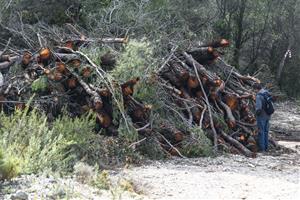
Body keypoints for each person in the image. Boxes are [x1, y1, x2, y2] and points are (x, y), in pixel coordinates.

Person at [253, 83, 272, 152]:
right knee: (266, 131)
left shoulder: (259, 96)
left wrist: (255, 114)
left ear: (256, 89)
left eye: (254, 90)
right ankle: (266, 147)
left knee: (261, 131)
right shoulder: (267, 93)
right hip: (268, 114)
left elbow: (259, 108)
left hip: (261, 115)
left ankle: (262, 149)